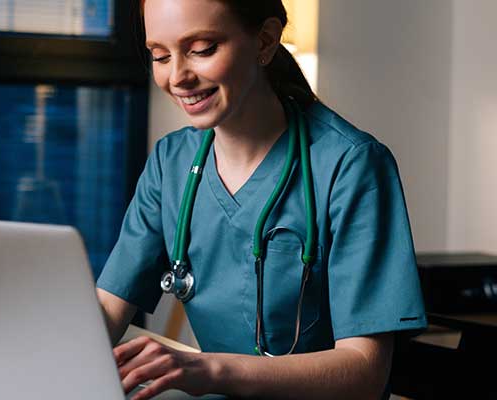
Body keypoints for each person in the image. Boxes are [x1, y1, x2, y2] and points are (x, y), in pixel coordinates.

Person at [95, 0, 427, 399]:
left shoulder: (351, 165)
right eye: (161, 56)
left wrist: (207, 368)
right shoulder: (172, 162)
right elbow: (106, 313)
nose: (177, 76)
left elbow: (365, 371)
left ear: (265, 41)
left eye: (201, 49)